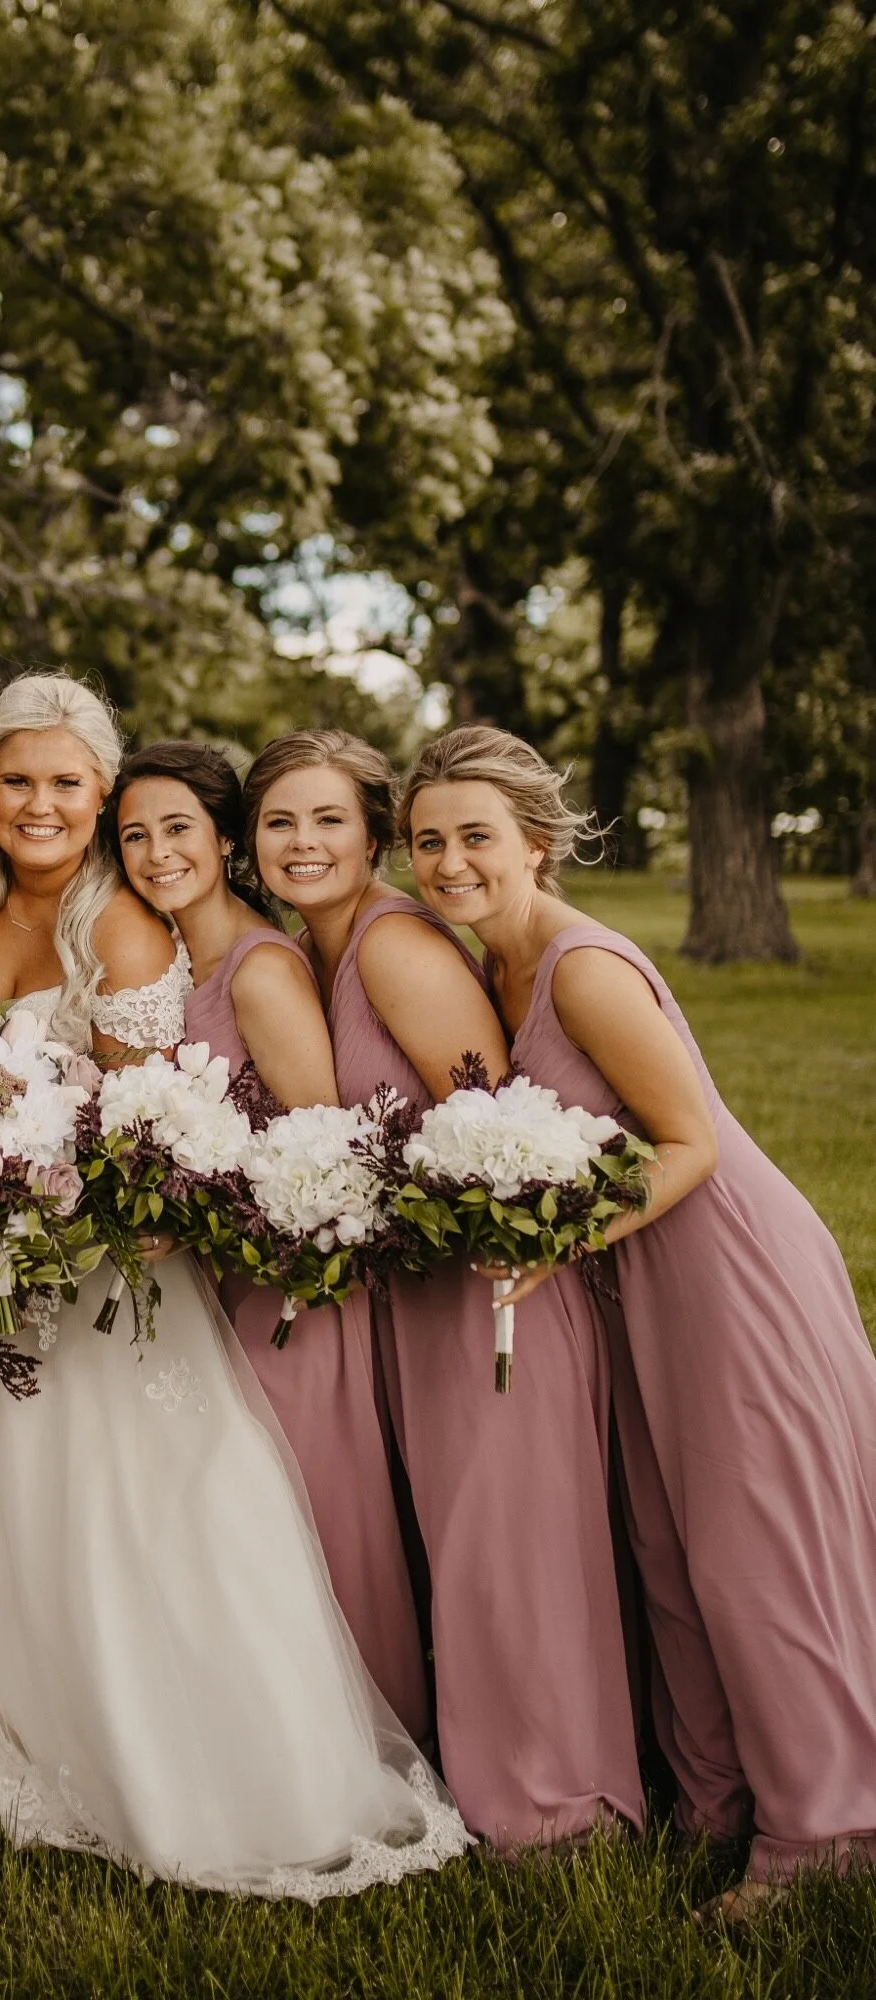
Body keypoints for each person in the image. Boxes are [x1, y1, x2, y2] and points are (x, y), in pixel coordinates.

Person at [0, 675, 470, 1900]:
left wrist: (35, 1175)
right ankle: (15, 1729)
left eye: (68, 785)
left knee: (130, 1506)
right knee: (1, 1497)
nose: (39, 804)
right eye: (15, 781)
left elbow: (135, 1120)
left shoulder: (120, 919)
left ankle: (196, 1762)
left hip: (100, 1262)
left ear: (98, 796)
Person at [403, 724, 876, 1913]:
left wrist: (551, 1241)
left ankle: (826, 1827)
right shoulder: (492, 967)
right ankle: (713, 1798)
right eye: (426, 841)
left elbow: (691, 1143)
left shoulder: (580, 969)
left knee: (749, 1550)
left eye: (474, 836)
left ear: (538, 843)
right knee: (666, 1544)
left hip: (721, 1269)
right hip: (633, 1274)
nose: (448, 861)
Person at [242, 729, 641, 1849]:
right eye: (279, 821)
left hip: (489, 1289)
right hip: (419, 1295)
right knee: (464, 1546)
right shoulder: (311, 948)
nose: (304, 841)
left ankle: (564, 1808)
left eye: (329, 819)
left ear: (372, 833)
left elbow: (495, 1127)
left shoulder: (395, 947)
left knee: (509, 1543)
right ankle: (492, 1779)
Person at [111, 740, 428, 1742]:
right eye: (133, 835)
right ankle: (268, 1730)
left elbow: (319, 1147)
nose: (156, 852)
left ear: (219, 838)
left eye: (176, 828)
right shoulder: (174, 958)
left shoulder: (257, 965)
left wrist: (196, 1204)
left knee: (318, 1505)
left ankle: (369, 1729)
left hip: (294, 1282)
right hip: (227, 1278)